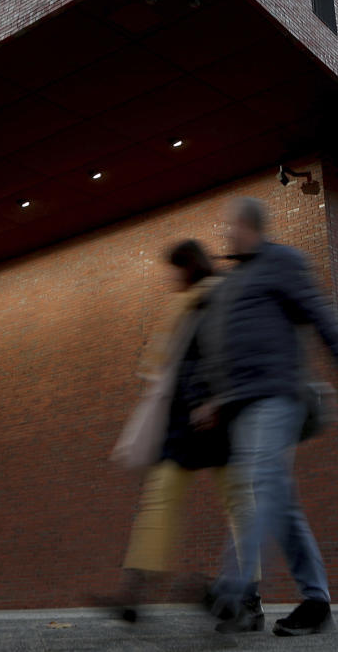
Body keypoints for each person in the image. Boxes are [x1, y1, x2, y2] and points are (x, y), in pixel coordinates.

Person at [194, 196, 338, 637]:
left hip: (279, 397)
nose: (226, 234)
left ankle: (233, 589)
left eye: (231, 226)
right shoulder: (234, 278)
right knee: (281, 502)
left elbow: (321, 315)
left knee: (257, 483)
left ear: (250, 226)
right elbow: (226, 349)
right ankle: (316, 604)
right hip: (243, 404)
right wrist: (214, 398)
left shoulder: (283, 262)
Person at [109, 239, 262, 625]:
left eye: (173, 269)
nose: (169, 278)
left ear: (187, 266)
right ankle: (137, 592)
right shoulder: (193, 303)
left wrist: (213, 400)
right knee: (213, 505)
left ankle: (243, 596)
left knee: (231, 505)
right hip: (192, 421)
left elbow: (222, 356)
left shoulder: (212, 300)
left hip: (209, 419)